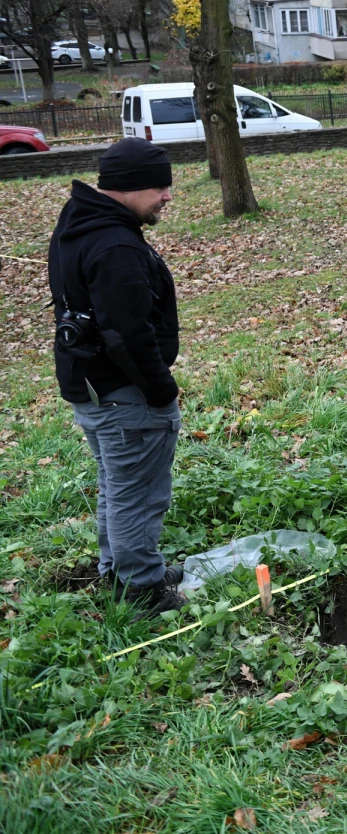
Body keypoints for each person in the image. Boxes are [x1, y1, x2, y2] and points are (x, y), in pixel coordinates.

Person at [48, 137, 186, 617]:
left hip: (90, 386)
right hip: (124, 394)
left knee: (119, 484)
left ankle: (123, 569)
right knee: (140, 491)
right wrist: (161, 390)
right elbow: (127, 334)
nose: (168, 196)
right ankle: (142, 589)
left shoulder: (78, 221)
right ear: (127, 188)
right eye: (159, 187)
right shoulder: (115, 246)